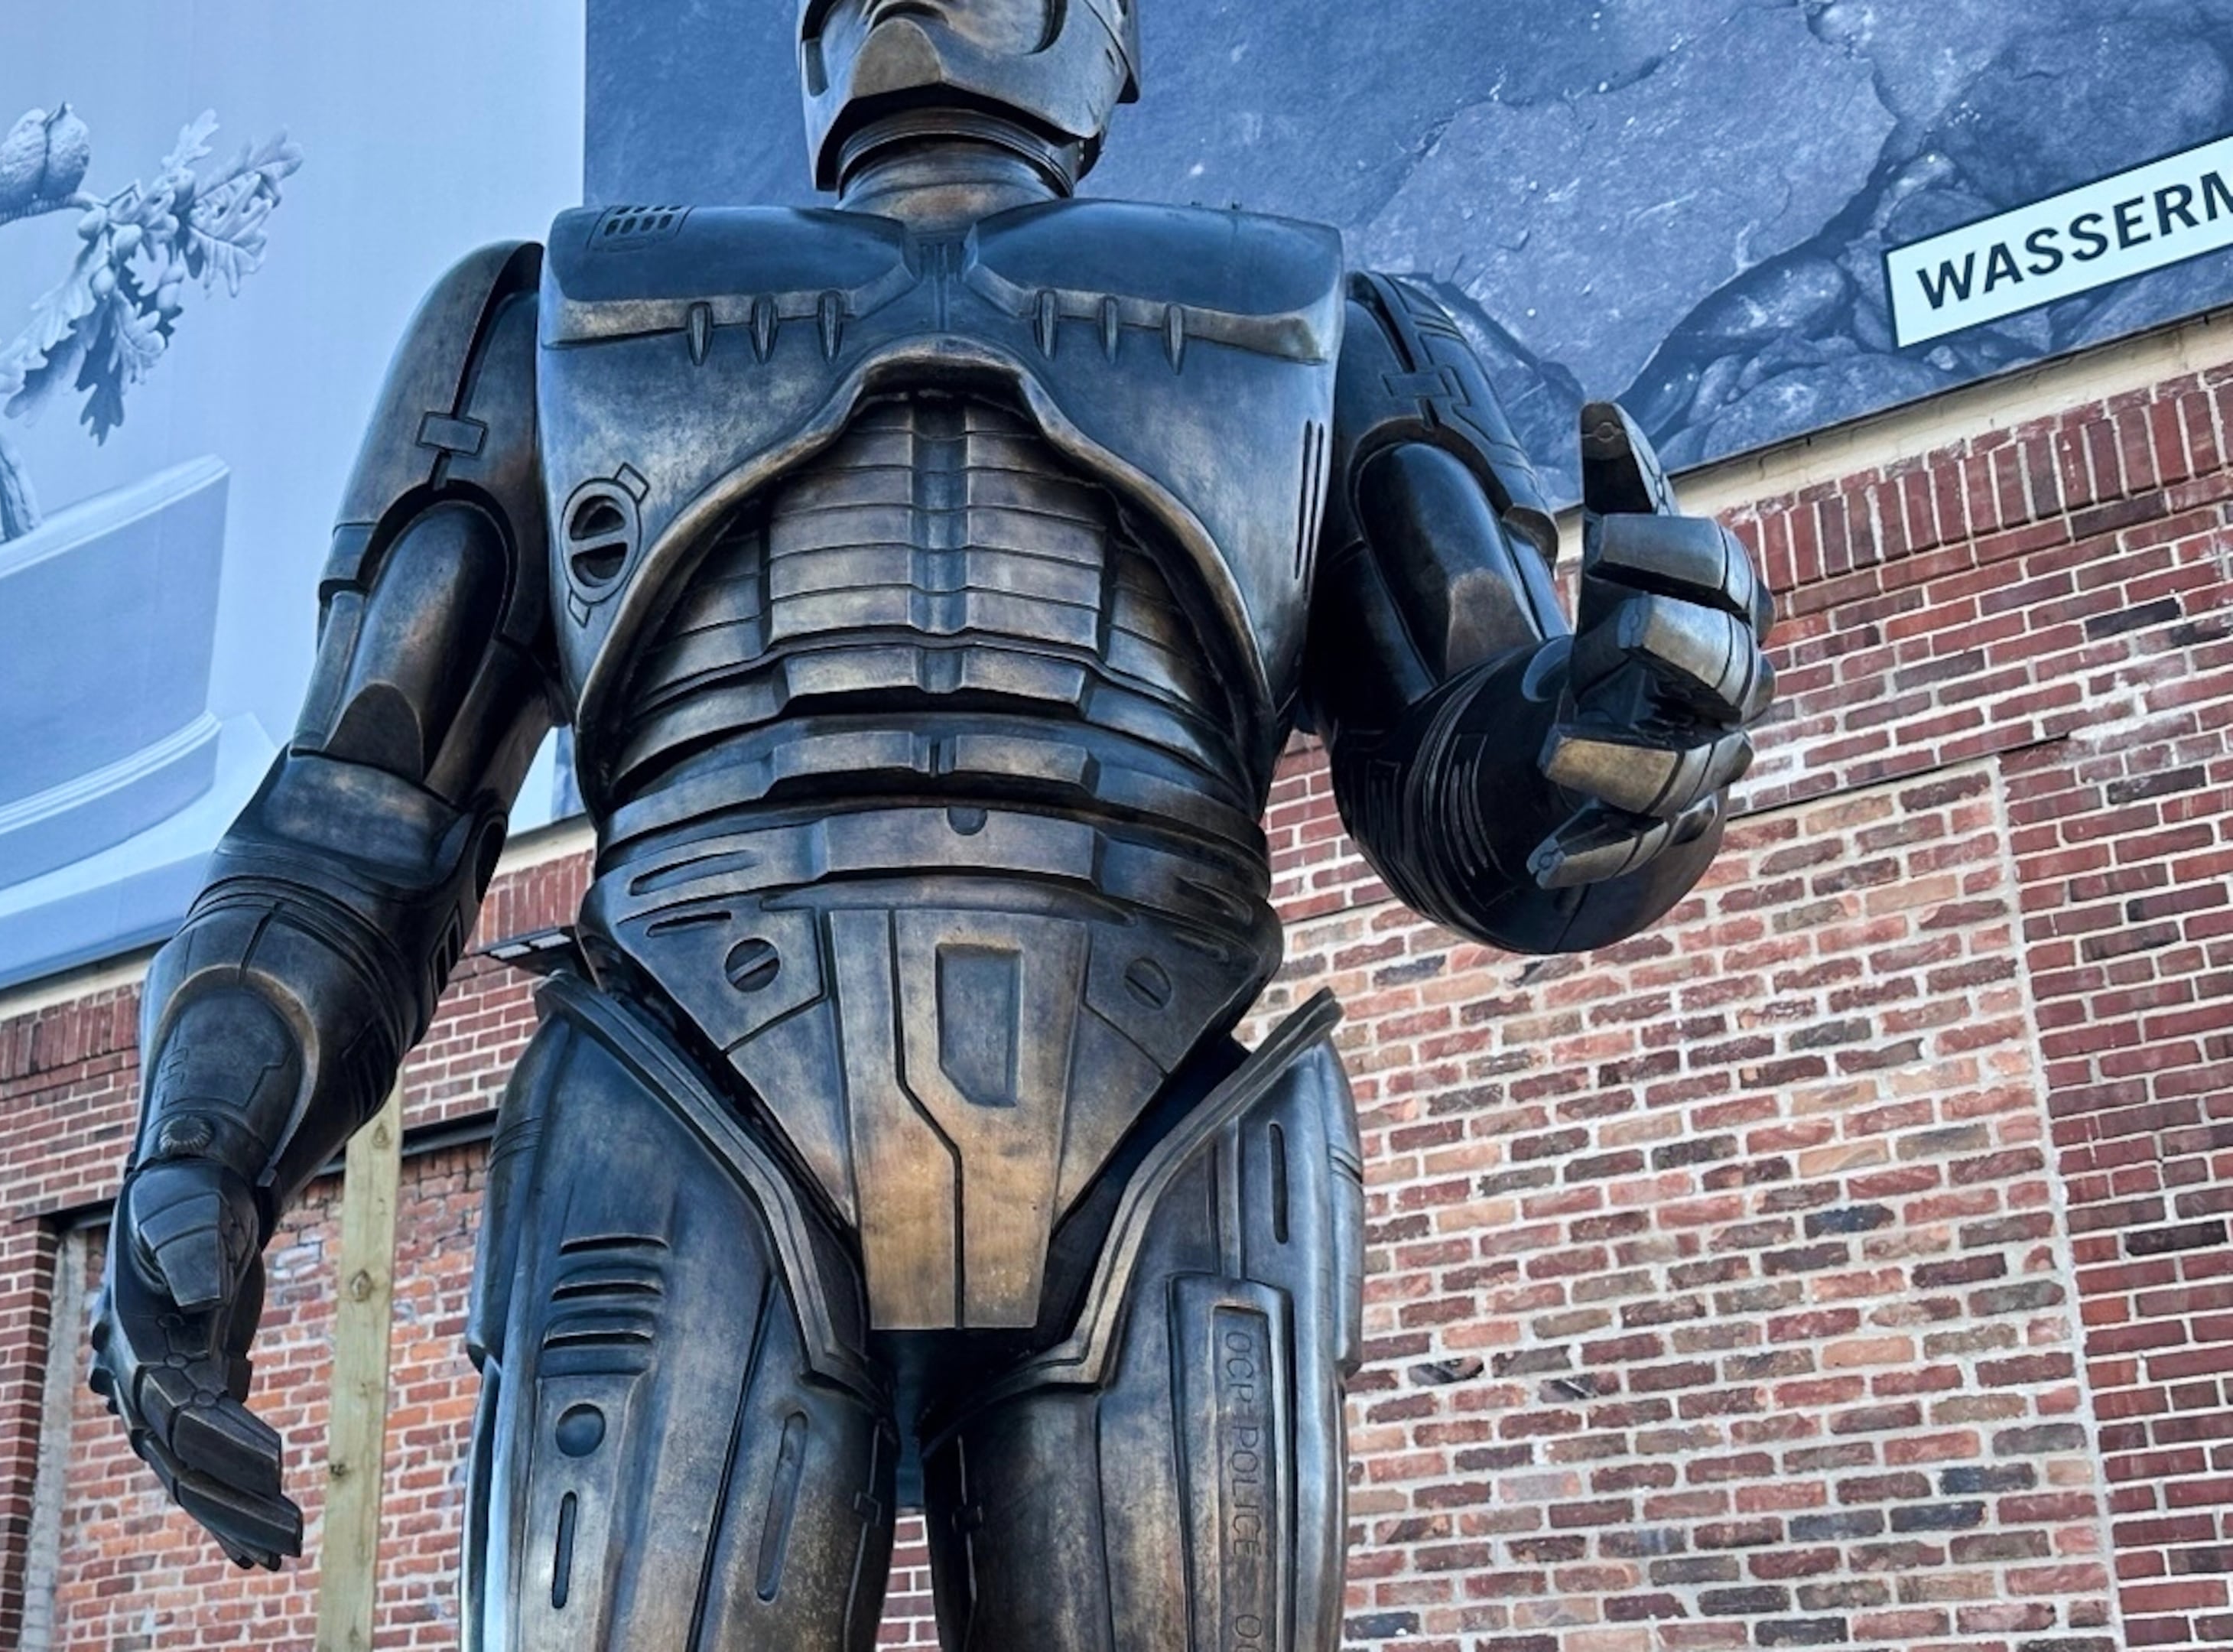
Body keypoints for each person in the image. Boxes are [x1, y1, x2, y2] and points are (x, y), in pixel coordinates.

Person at [89, 2, 1773, 1645]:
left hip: (1158, 1105)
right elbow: (360, 809)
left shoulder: (1329, 326)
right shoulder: (552, 314)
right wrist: (207, 1139)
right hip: (694, 1091)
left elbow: (1473, 780)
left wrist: (1620, 739)